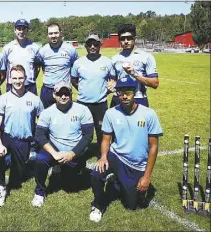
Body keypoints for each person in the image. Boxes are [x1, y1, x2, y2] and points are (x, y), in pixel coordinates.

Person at [89, 77, 163, 222]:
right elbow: (106, 139)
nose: (124, 96)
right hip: (116, 156)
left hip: (137, 164)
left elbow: (154, 146)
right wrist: (103, 156)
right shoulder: (111, 113)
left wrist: (146, 177)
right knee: (96, 174)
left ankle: (117, 182)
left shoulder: (149, 114)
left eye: (128, 92)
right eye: (120, 92)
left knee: (132, 205)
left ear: (134, 93)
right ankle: (98, 205)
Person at [31, 80, 94, 207]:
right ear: (54, 95)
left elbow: (88, 136)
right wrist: (54, 153)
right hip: (55, 149)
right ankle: (39, 192)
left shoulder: (83, 110)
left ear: (71, 94)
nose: (63, 96)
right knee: (41, 160)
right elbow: (39, 135)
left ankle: (64, 169)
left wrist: (73, 153)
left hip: (74, 151)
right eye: (60, 93)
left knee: (72, 187)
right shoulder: (47, 112)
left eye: (66, 93)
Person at [0, 64, 44, 207]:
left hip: (24, 141)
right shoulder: (3, 99)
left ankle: (23, 159)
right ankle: (1, 187)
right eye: (14, 78)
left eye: (20, 78)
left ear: (25, 78)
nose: (17, 81)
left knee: (16, 179)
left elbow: (42, 122)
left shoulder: (34, 99)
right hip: (7, 137)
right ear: (9, 79)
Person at [71, 34, 116, 157]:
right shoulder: (78, 63)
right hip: (82, 104)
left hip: (100, 104)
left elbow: (113, 78)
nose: (92, 46)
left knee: (102, 132)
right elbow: (74, 80)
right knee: (81, 131)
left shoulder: (107, 62)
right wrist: (82, 89)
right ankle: (78, 156)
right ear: (85, 46)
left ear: (99, 45)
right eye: (89, 44)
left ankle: (103, 157)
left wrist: (108, 88)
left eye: (95, 44)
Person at [110, 23, 159, 108]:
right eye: (122, 39)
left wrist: (134, 74)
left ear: (135, 39)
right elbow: (112, 81)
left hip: (138, 98)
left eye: (129, 38)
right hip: (118, 98)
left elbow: (155, 83)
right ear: (119, 41)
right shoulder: (114, 59)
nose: (126, 41)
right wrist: (110, 85)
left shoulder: (146, 57)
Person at [37, 22, 79, 108]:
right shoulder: (43, 51)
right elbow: (42, 67)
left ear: (60, 33)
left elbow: (75, 68)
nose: (53, 35)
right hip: (47, 90)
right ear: (47, 35)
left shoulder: (70, 50)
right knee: (46, 117)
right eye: (50, 33)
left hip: (64, 90)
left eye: (56, 33)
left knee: (65, 117)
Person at [1, 19, 41, 95]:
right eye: (19, 29)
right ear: (15, 30)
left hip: (30, 86)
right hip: (12, 86)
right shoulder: (7, 48)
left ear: (27, 31)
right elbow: (4, 69)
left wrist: (30, 79)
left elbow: (37, 68)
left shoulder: (35, 48)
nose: (21, 32)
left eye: (24, 29)